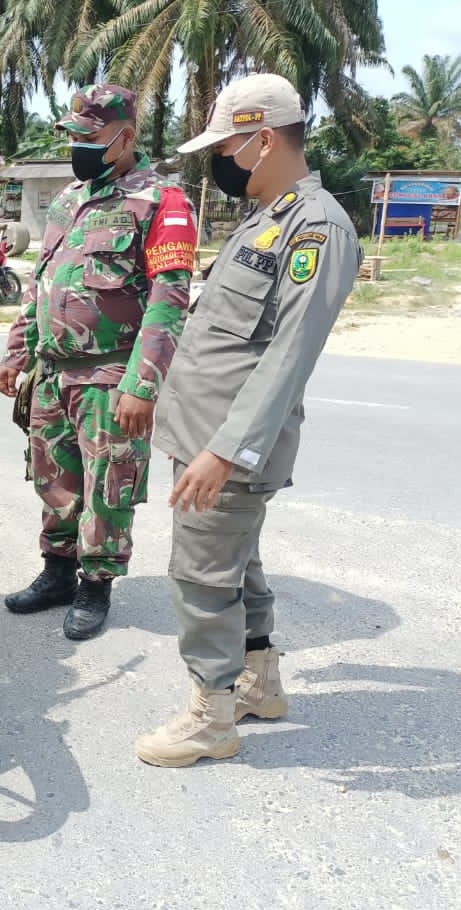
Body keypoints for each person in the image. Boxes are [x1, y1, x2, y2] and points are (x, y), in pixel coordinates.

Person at [134, 74, 362, 767]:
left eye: (223, 149)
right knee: (239, 563)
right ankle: (258, 683)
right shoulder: (265, 217)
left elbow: (290, 354)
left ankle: (211, 716)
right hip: (205, 434)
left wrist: (226, 449)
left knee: (203, 579)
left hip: (227, 448)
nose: (219, 163)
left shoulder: (315, 227)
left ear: (263, 141)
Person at [0, 84, 197, 641]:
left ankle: (96, 583)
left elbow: (169, 299)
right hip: (52, 371)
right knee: (51, 475)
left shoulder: (162, 201)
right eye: (73, 137)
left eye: (89, 137)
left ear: (125, 138)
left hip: (110, 374)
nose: (77, 148)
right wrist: (17, 351)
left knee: (109, 483)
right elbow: (41, 285)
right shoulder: (68, 199)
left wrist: (143, 384)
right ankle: (58, 572)